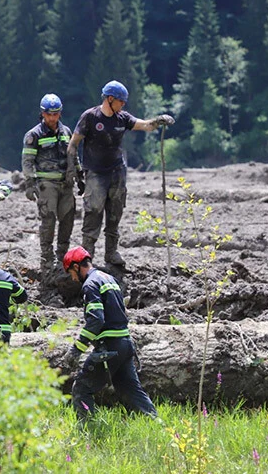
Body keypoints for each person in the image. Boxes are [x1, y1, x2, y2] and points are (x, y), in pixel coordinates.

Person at [66, 80, 175, 266]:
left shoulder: (122, 118)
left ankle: (111, 253)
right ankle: (87, 255)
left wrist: (158, 120)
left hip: (117, 174)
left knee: (115, 214)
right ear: (109, 99)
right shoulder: (90, 117)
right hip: (95, 174)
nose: (123, 104)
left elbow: (145, 125)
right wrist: (75, 171)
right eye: (120, 101)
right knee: (93, 215)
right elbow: (73, 144)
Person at [61, 246, 157, 424]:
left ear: (76, 266)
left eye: (71, 273)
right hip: (125, 344)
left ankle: (88, 433)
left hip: (109, 347)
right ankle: (158, 427)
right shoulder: (109, 279)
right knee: (131, 391)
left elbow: (96, 320)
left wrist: (76, 349)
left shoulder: (90, 285)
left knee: (81, 388)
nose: (73, 279)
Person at [22, 93, 79, 280]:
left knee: (67, 219)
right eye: (49, 114)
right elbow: (28, 161)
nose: (52, 118)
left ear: (60, 113)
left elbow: (73, 156)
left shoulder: (67, 132)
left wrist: (80, 176)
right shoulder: (34, 135)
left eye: (55, 114)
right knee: (48, 220)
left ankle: (62, 255)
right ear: (42, 113)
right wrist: (29, 184)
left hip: (66, 183)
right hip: (47, 185)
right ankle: (46, 258)